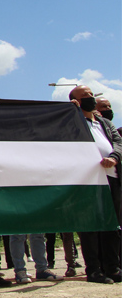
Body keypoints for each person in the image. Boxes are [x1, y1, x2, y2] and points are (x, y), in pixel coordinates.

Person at [69, 85, 122, 284]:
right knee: (90, 226)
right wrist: (71, 112)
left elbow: (118, 143)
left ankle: (113, 268)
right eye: (85, 96)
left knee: (112, 225)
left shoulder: (105, 123)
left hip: (112, 177)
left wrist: (115, 157)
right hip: (88, 182)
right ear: (76, 101)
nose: (91, 97)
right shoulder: (73, 121)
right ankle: (94, 270)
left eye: (91, 94)